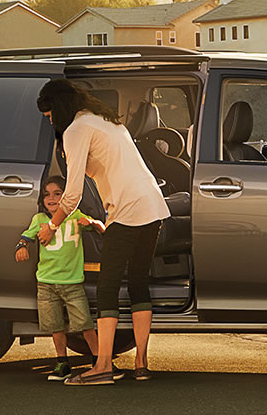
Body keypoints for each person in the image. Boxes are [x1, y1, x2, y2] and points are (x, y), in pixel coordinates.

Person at [37, 78, 171, 385]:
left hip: (128, 210)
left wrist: (51, 225)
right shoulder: (107, 121)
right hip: (152, 205)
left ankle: (103, 366)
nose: (50, 122)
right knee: (138, 282)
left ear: (58, 108)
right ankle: (141, 364)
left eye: (49, 116)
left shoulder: (76, 130)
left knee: (108, 287)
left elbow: (72, 195)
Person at [15, 176, 105, 380]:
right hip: (46, 283)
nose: (51, 199)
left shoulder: (75, 216)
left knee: (85, 325)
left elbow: (101, 228)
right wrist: (22, 247)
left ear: (67, 197)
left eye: (57, 193)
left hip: (72, 283)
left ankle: (99, 359)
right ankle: (62, 363)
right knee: (55, 326)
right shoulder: (39, 220)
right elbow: (26, 236)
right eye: (47, 195)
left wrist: (91, 222)